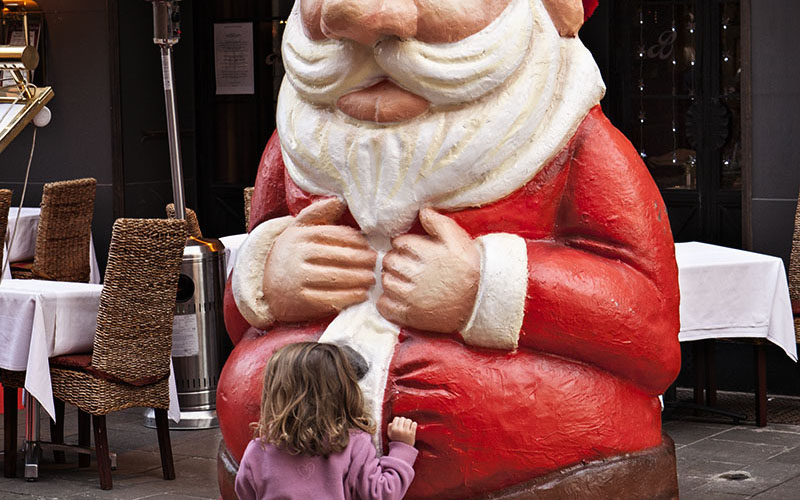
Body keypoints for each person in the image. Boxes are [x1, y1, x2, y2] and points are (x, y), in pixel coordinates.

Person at [219, 0, 681, 498]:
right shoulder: (298, 142)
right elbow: (239, 317)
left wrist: (485, 286)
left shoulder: (574, 141)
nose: (368, 17)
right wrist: (269, 274)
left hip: (532, 467)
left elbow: (649, 329)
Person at [234, 342, 419, 500]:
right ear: (345, 392)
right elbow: (381, 493)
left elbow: (245, 493)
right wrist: (401, 449)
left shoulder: (258, 451)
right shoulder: (354, 444)